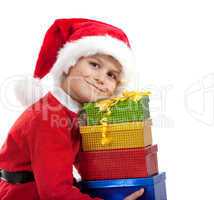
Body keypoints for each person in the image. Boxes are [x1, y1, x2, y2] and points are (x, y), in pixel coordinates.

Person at [0, 18, 144, 200]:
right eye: (94, 64)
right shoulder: (48, 118)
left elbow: (84, 162)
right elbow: (55, 193)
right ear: (68, 65)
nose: (101, 78)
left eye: (111, 75)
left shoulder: (73, 113)